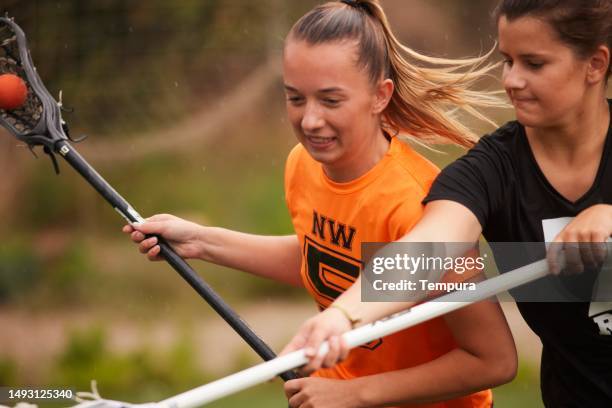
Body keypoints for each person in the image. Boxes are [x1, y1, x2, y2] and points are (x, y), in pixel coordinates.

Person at [124, 1, 518, 407]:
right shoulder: (303, 165)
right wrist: (202, 243)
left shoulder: (423, 206)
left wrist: (354, 393)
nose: (310, 120)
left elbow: (491, 360)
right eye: (296, 98)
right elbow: (325, 260)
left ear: (380, 95)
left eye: (330, 101)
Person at [282, 0, 612, 406]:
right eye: (508, 61)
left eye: (534, 64)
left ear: (595, 65)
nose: (512, 80)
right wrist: (343, 316)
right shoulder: (492, 169)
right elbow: (431, 247)